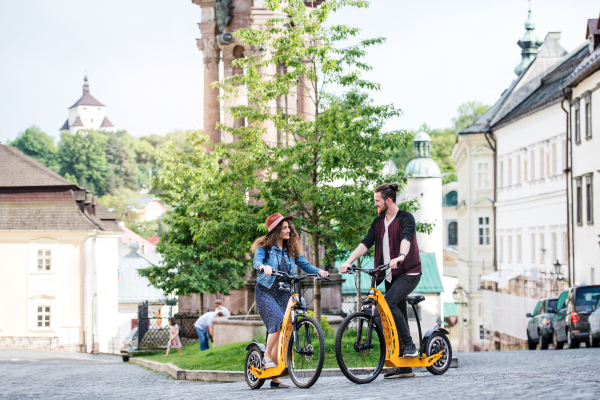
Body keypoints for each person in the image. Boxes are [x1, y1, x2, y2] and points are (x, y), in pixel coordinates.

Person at [340, 183, 422, 380]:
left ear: (388, 200)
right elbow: (366, 243)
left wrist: (401, 255)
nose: (375, 205)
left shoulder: (405, 217)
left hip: (408, 272)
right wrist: (348, 261)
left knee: (389, 303)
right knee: (393, 314)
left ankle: (410, 346)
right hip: (389, 275)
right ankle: (404, 366)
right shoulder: (378, 222)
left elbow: (406, 238)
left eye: (377, 201)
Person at [252, 212, 330, 389]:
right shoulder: (264, 247)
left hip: (284, 293)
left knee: (283, 330)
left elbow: (306, 265)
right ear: (276, 230)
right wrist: (263, 267)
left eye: (289, 228)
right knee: (277, 323)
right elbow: (257, 262)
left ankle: (275, 378)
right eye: (285, 227)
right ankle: (266, 357)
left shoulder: (290, 250)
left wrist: (318, 271)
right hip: (265, 292)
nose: (288, 230)